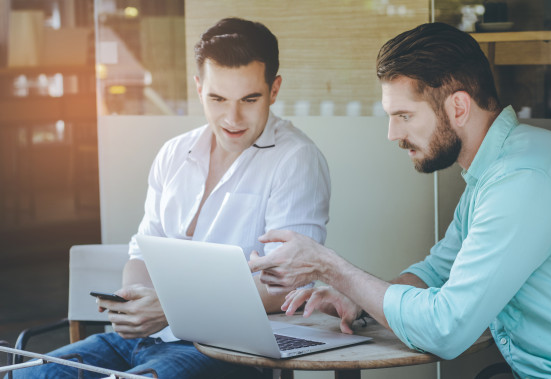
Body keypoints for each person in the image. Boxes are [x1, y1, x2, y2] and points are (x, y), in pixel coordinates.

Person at [249, 22, 551, 377]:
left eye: (404, 116)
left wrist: (327, 267)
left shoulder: (523, 181)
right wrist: (356, 298)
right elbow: (435, 273)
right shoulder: (495, 173)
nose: (393, 134)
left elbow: (447, 329)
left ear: (458, 107)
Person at [12, 17, 330, 379]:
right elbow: (141, 252)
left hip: (229, 351)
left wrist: (171, 309)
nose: (232, 118)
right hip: (146, 338)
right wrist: (136, 301)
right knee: (25, 376)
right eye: (217, 98)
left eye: (250, 99)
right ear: (198, 88)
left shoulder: (296, 160)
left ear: (274, 90)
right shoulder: (174, 153)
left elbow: (287, 283)